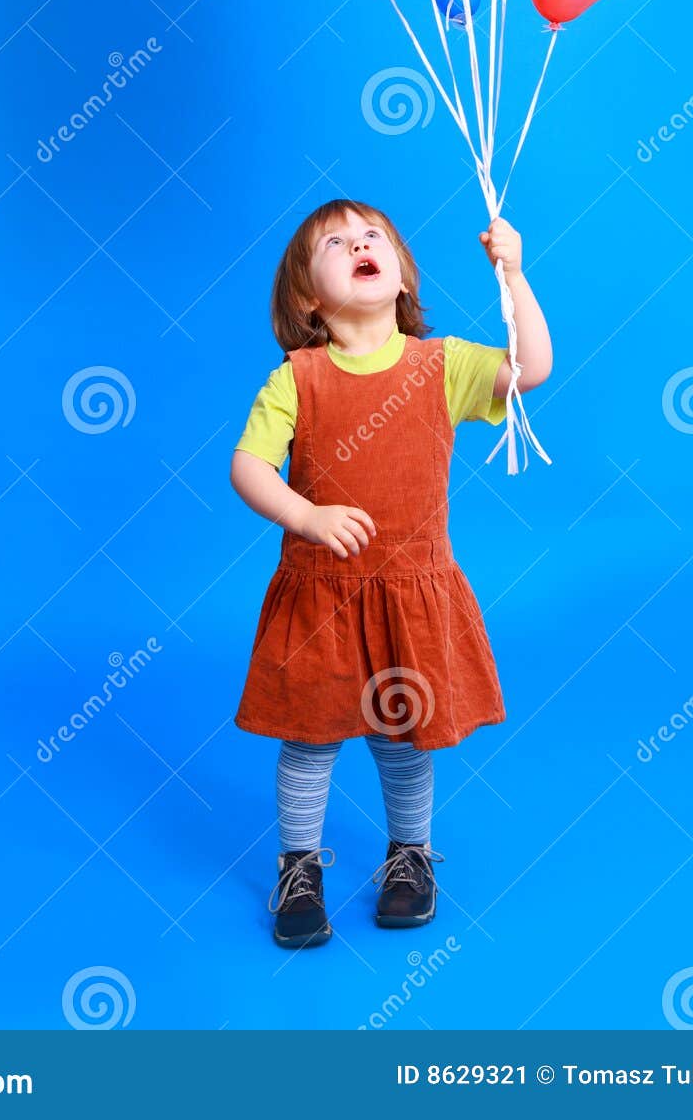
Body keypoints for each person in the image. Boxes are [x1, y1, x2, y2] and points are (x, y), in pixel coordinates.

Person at [231, 198, 552, 947]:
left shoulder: (441, 365)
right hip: (323, 600)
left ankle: (409, 856)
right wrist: (305, 517)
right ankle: (298, 866)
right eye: (336, 243)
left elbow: (530, 366)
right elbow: (248, 466)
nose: (359, 244)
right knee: (308, 740)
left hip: (410, 596)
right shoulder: (297, 378)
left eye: (372, 236)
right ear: (308, 296)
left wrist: (513, 272)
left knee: (403, 737)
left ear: (402, 275)